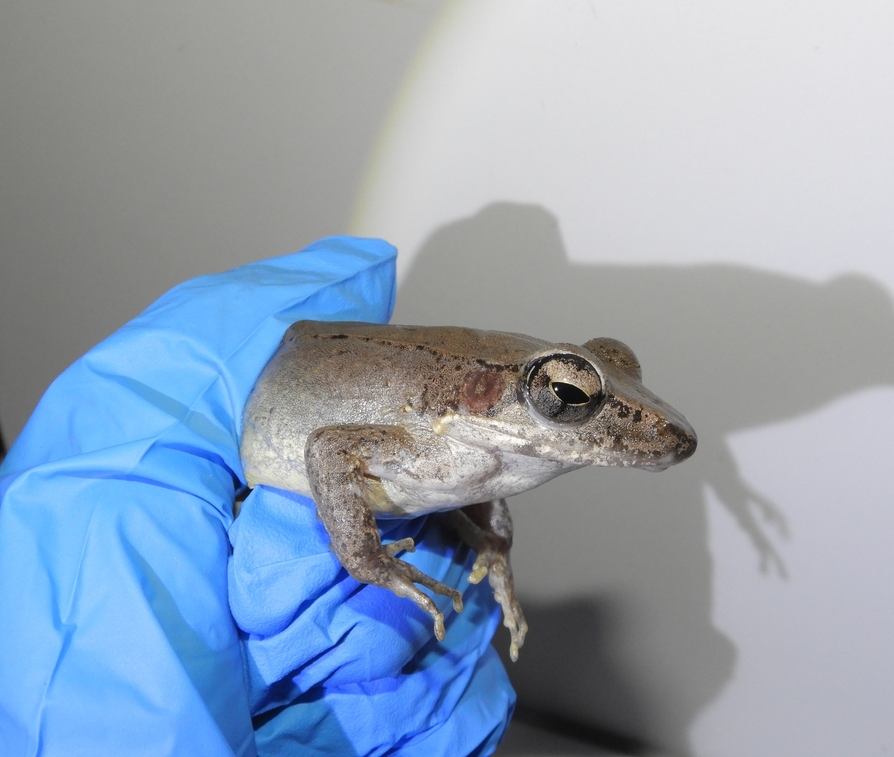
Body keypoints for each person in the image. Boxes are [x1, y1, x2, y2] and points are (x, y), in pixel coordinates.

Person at [0, 237, 514, 756]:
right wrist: (368, 560)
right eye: (568, 395)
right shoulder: (107, 511)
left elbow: (483, 484)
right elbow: (331, 448)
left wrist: (491, 543)